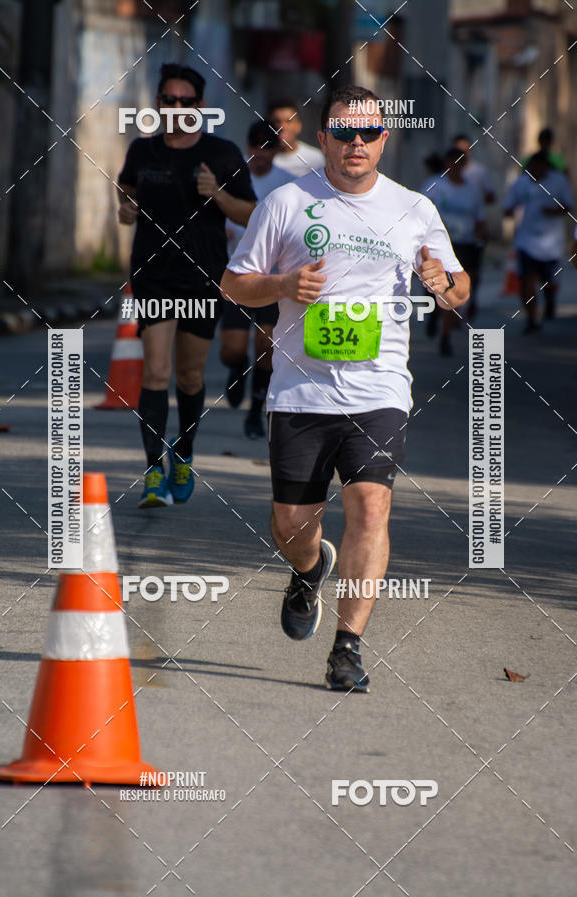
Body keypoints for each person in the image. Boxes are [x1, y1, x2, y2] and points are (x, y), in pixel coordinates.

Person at [221, 85, 469, 691]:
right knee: (291, 524)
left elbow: (460, 290)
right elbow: (234, 284)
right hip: (300, 392)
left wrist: (443, 284)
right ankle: (308, 571)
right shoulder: (285, 201)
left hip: (379, 388)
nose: (356, 143)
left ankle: (348, 647)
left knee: (370, 508)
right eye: (344, 132)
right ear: (324, 137)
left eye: (369, 133)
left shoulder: (414, 208)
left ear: (384, 139)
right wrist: (281, 285)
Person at [117, 63, 256, 507]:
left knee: (190, 374)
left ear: (200, 107)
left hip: (202, 275)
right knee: (156, 370)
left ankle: (185, 450)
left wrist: (217, 193)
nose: (176, 109)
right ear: (158, 104)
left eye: (185, 102)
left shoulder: (224, 154)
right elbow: (125, 190)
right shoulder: (143, 150)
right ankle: (153, 470)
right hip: (153, 276)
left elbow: (250, 214)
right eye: (168, 101)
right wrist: (125, 207)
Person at [221, 122, 294, 439]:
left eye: (268, 147)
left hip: (273, 280)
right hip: (237, 276)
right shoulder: (234, 180)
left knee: (267, 344)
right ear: (247, 147)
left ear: (276, 150)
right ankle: (237, 369)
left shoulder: (290, 187)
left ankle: (255, 410)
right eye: (255, 146)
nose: (260, 154)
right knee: (231, 350)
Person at [424, 147, 486, 353]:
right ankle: (434, 316)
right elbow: (418, 214)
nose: (455, 167)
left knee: (452, 287)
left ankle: (445, 335)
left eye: (460, 163)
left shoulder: (473, 191)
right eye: (451, 162)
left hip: (465, 244)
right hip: (439, 245)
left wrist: (481, 241)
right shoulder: (434, 185)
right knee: (435, 287)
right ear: (446, 164)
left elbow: (480, 220)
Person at [504, 152, 574, 331]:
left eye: (539, 167)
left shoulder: (558, 181)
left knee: (548, 281)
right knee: (526, 280)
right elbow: (508, 206)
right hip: (526, 241)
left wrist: (555, 211)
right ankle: (531, 318)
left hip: (551, 242)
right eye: (531, 168)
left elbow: (569, 206)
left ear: (546, 168)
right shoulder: (521, 183)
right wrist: (509, 211)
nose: (534, 171)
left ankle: (550, 298)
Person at [269, 98, 325, 177]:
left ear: (298, 126)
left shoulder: (315, 159)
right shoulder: (261, 159)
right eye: (276, 121)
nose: (282, 127)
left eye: (288, 121)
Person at [452, 134, 496, 204]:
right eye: (459, 152)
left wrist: (473, 198)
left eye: (465, 151)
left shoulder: (480, 171)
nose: (463, 155)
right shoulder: (446, 171)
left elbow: (491, 197)